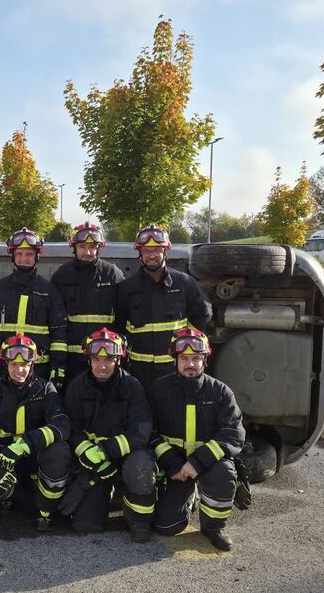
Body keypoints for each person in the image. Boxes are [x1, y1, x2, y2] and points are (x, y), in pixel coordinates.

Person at [148, 327, 245, 550]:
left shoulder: (220, 392)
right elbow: (148, 432)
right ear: (175, 359)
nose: (190, 364)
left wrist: (197, 462)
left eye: (196, 358)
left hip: (207, 464)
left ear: (204, 360)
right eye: (184, 358)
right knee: (166, 526)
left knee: (224, 471)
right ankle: (189, 494)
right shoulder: (158, 391)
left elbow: (234, 433)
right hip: (175, 468)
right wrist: (173, 464)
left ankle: (214, 528)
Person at [60, 328, 156, 541]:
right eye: (96, 359)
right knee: (86, 524)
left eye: (109, 360)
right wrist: (87, 452)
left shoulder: (131, 386)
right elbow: (70, 428)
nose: (102, 366)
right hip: (95, 462)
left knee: (139, 464)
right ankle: (108, 491)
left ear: (118, 360)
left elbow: (141, 431)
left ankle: (139, 522)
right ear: (89, 360)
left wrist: (105, 450)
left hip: (124, 456)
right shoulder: (77, 387)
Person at [0, 333, 72, 531]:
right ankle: (14, 493)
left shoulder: (45, 389)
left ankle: (45, 510)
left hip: (33, 455)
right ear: (5, 364)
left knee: (59, 451)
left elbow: (62, 425)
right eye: (14, 364)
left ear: (32, 364)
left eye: (24, 364)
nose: (19, 370)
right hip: (4, 458)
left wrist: (24, 445)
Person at [115, 224, 210, 388]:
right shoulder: (126, 288)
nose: (152, 255)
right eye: (146, 251)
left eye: (157, 250)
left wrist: (188, 347)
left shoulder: (184, 283)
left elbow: (203, 314)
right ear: (139, 253)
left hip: (174, 370)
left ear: (165, 251)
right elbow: (118, 326)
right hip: (138, 372)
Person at [0, 227, 68, 388]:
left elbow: (59, 336)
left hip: (39, 369)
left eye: (29, 254)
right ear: (12, 256)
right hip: (2, 368)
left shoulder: (49, 291)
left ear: (37, 256)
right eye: (19, 254)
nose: (24, 258)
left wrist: (58, 367)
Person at [51, 221, 124, 385]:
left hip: (104, 359)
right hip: (72, 361)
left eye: (92, 247)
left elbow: (124, 316)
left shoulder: (112, 274)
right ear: (74, 247)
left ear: (99, 248)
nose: (87, 252)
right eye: (82, 247)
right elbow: (56, 322)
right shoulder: (61, 277)